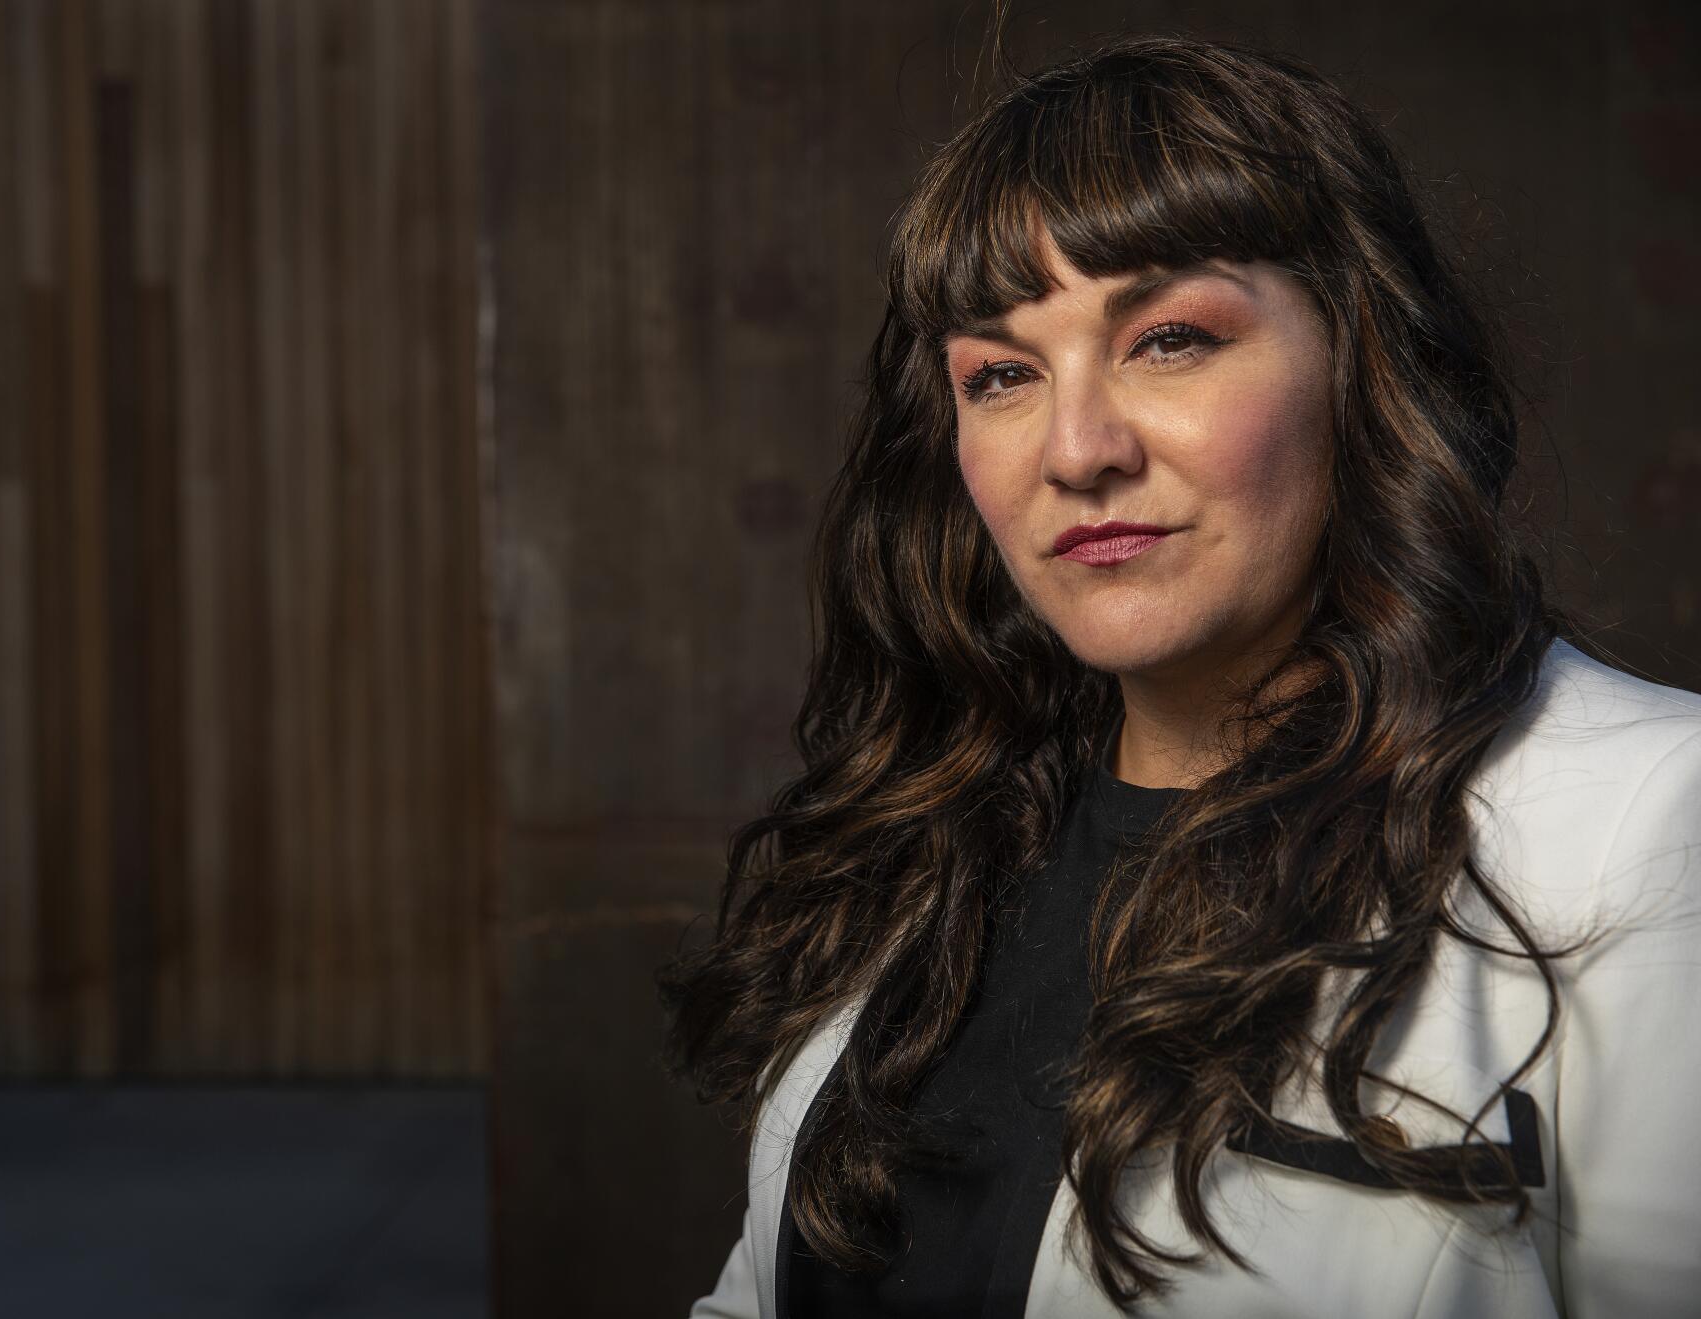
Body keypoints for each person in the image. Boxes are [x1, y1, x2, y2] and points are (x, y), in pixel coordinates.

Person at [657, 32, 1701, 1319]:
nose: (1076, 448)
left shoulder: (1647, 812)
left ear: (1360, 361)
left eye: (1166, 341)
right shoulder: (931, 842)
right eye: (1000, 375)